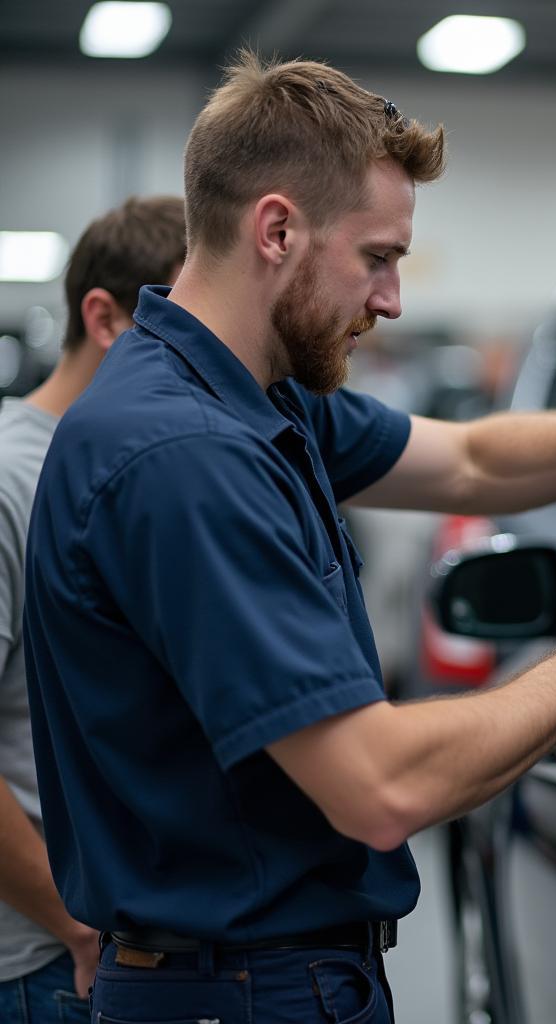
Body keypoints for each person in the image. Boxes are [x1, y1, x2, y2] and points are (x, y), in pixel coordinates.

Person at [22, 52, 556, 1023]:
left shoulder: (255, 394)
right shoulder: (185, 453)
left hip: (265, 978)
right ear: (275, 230)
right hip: (242, 991)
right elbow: (377, 785)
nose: (390, 299)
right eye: (377, 257)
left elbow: (472, 461)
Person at [0, 196, 186, 1023]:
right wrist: (76, 930)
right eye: (179, 326)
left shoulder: (157, 460)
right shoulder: (12, 478)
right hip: (52, 962)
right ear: (103, 317)